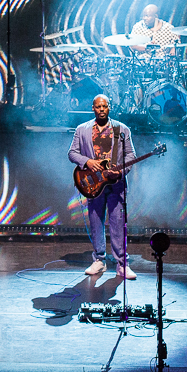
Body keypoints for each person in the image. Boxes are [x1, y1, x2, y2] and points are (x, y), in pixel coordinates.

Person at [68, 95, 138, 279]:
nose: (101, 109)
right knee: (96, 221)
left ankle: (122, 264)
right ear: (93, 108)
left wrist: (121, 173)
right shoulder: (82, 129)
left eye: (104, 106)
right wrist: (88, 162)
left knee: (118, 224)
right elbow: (72, 153)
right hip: (94, 183)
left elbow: (130, 155)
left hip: (116, 185)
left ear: (109, 108)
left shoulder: (121, 129)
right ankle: (99, 260)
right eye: (98, 106)